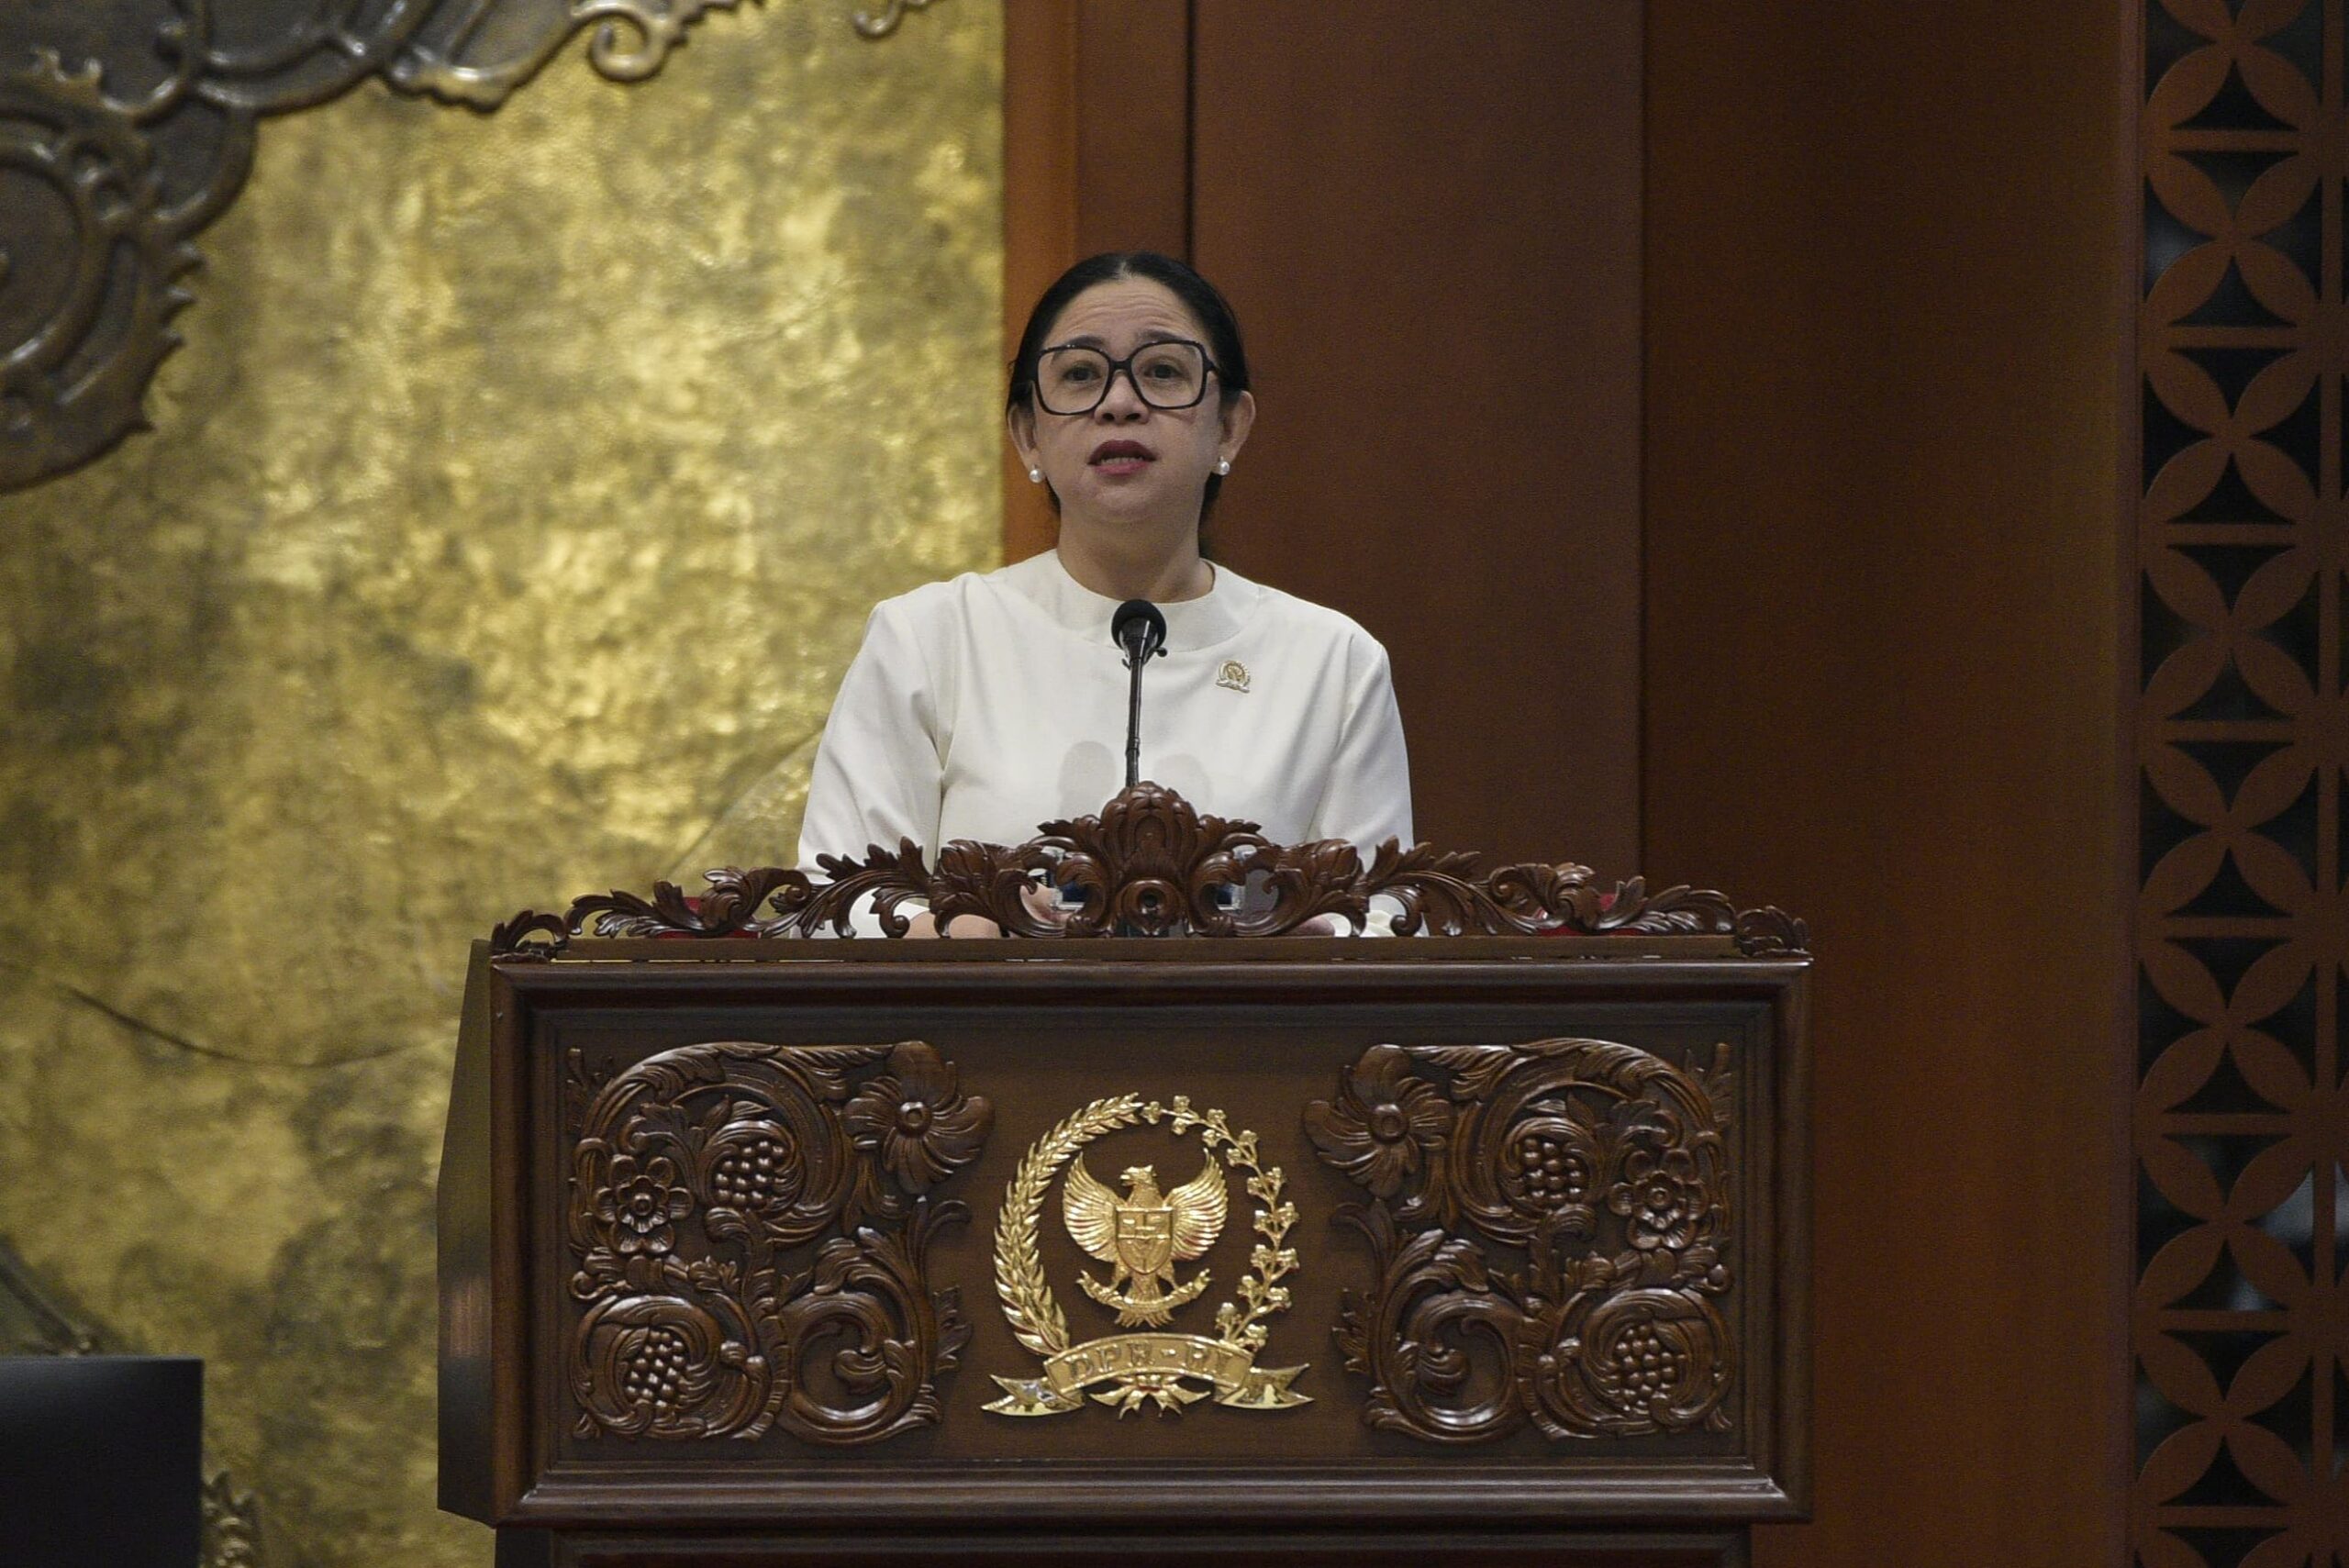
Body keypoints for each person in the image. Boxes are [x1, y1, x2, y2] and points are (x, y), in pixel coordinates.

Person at [796, 250, 1411, 936]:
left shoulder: (1333, 661)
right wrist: (995, 934)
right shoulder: (929, 638)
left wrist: (1281, 936)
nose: (1120, 403)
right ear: (1030, 434)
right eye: (1081, 374)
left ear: (1230, 427)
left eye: (1163, 372)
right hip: (982, 1041)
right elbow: (838, 903)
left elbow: (1383, 918)